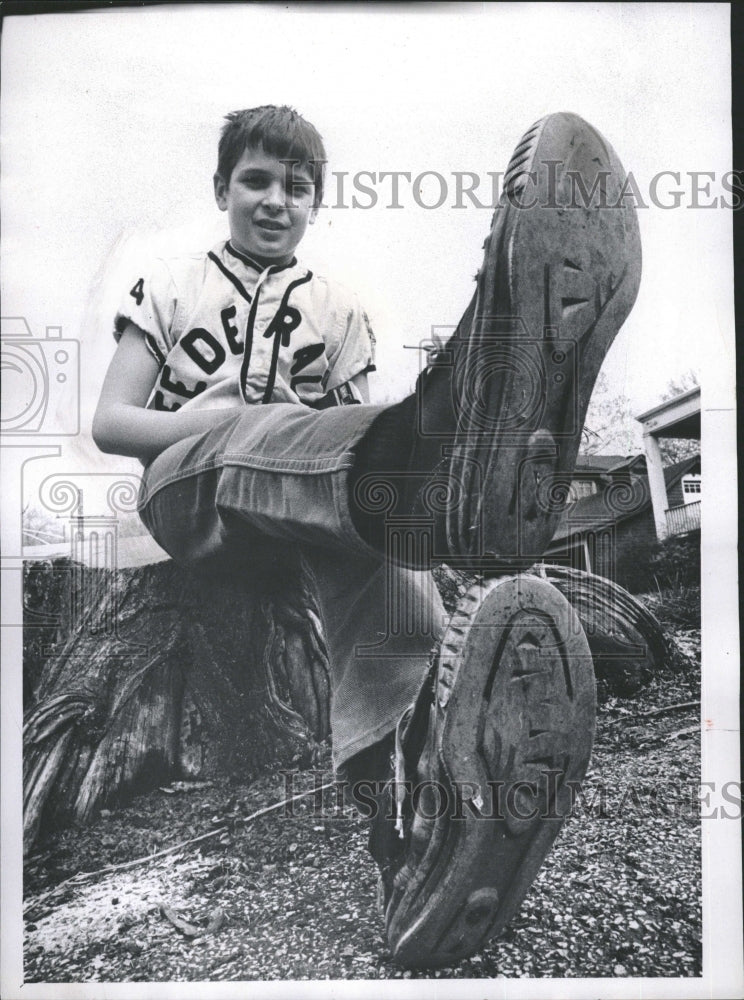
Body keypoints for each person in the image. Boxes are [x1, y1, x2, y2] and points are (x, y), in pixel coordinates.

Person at [93, 105, 641, 968]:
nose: (276, 200)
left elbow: (351, 425)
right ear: (222, 189)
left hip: (321, 504)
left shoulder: (337, 309)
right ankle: (456, 410)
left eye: (297, 187)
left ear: (317, 202)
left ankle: (416, 837)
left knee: (397, 596)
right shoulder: (168, 282)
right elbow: (110, 424)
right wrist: (215, 417)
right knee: (275, 443)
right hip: (195, 495)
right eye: (257, 181)